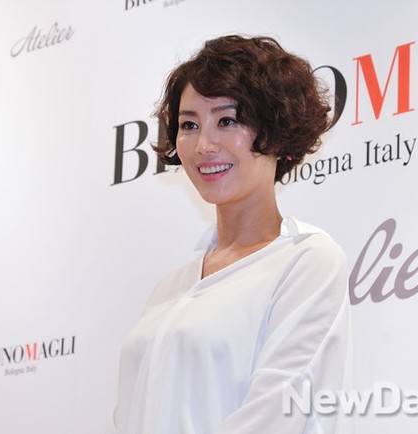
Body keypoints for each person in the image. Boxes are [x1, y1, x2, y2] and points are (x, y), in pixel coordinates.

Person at [106, 34, 352, 434]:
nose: (204, 145)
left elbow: (275, 415)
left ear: (276, 129)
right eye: (189, 125)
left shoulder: (306, 261)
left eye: (227, 121)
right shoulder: (170, 288)